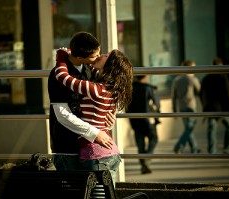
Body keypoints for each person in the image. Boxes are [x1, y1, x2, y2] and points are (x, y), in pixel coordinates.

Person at [54, 48, 133, 185]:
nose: (101, 55)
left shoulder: (96, 89)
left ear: (109, 66)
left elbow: (63, 77)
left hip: (96, 156)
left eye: (105, 56)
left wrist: (61, 56)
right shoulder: (110, 89)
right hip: (110, 154)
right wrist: (81, 55)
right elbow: (93, 67)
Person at [48, 32, 115, 172]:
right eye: (95, 55)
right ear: (79, 57)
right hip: (67, 145)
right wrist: (94, 133)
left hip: (88, 145)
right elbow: (62, 114)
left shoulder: (90, 69)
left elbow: (105, 97)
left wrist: (109, 117)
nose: (99, 57)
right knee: (71, 191)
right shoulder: (59, 74)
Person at [200, 57, 229, 154]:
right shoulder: (223, 77)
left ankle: (212, 151)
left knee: (211, 129)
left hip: (211, 107)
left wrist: (205, 105)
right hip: (224, 108)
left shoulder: (207, 78)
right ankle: (227, 148)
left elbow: (201, 93)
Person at [127, 75, 161, 174]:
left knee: (140, 144)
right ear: (145, 77)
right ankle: (146, 159)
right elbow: (156, 104)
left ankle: (143, 164)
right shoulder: (148, 88)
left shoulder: (130, 89)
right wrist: (157, 116)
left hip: (134, 120)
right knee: (154, 139)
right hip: (148, 120)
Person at [171, 60, 201, 154]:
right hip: (191, 106)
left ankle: (194, 147)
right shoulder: (192, 79)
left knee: (188, 127)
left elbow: (173, 96)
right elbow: (199, 90)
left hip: (181, 106)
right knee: (189, 128)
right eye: (193, 67)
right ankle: (179, 145)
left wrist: (174, 110)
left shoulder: (177, 80)